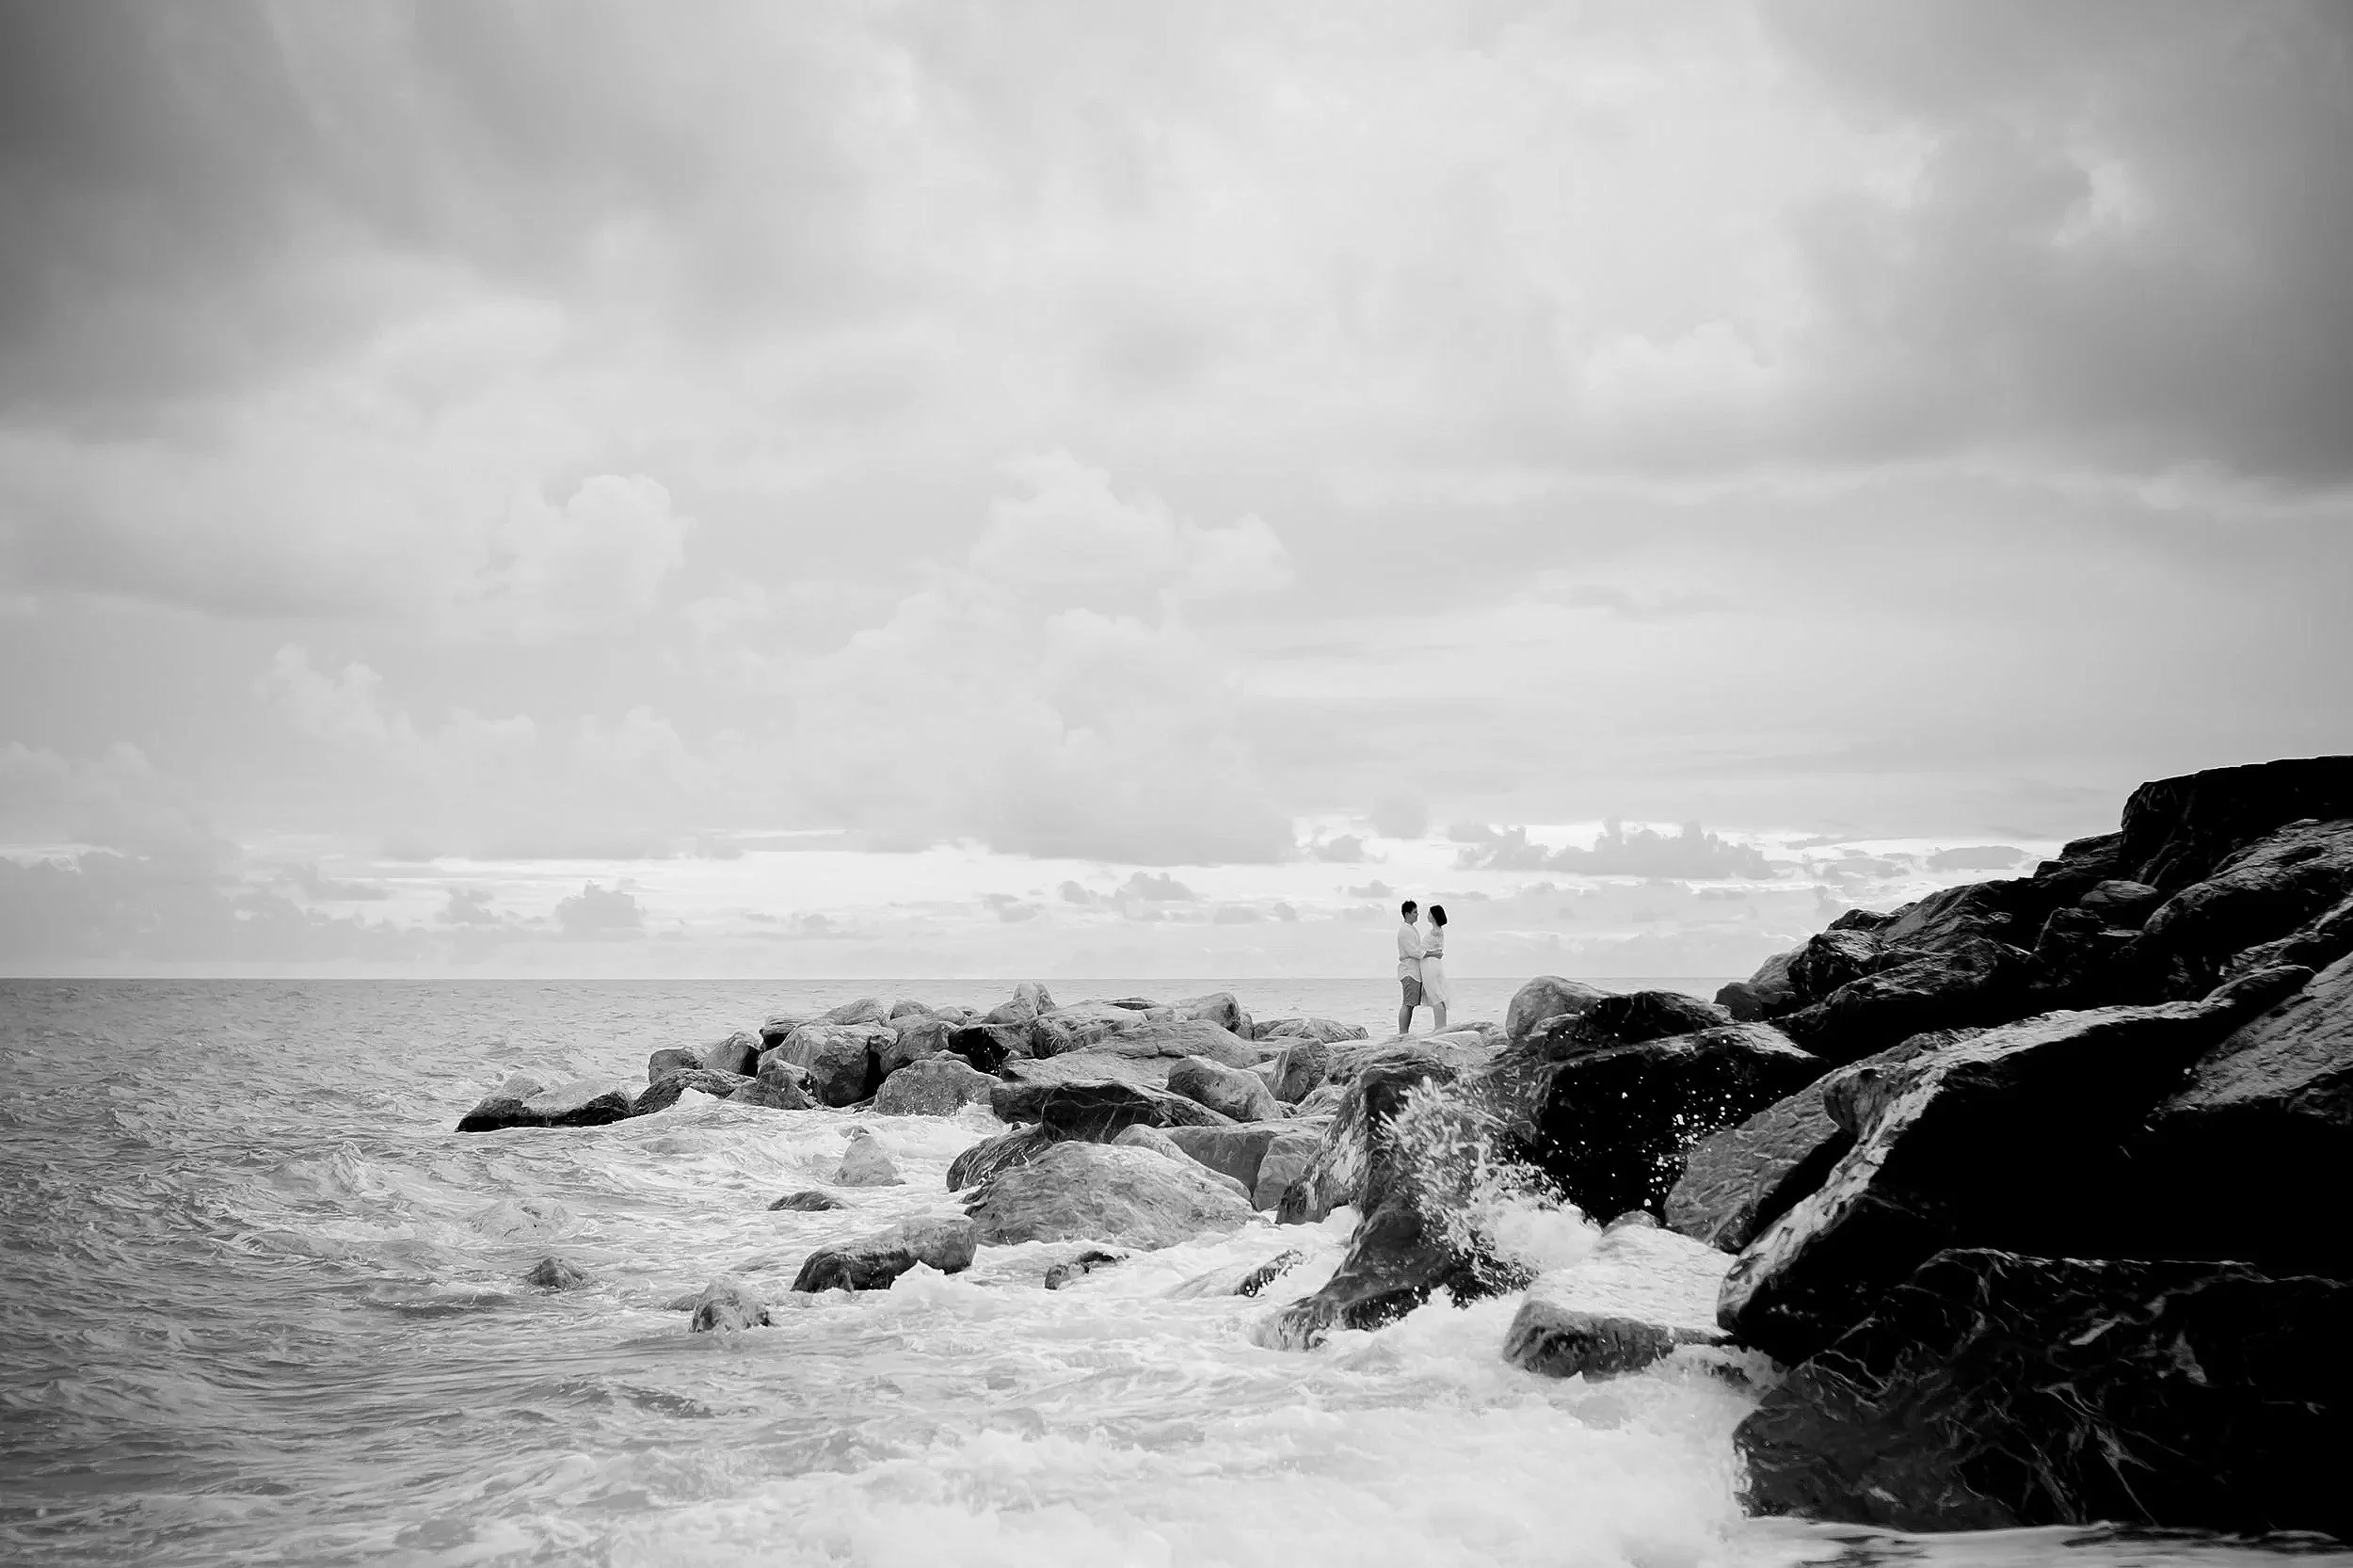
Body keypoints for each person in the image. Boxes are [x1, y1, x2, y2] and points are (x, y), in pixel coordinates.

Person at [1396, 899, 1425, 1035]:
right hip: (1409, 971)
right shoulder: (1405, 930)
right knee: (1407, 1003)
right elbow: (1413, 951)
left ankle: (1405, 1032)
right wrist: (1428, 953)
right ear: (1407, 914)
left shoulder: (1411, 929)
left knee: (1411, 1004)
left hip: (1414, 970)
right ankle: (1402, 1032)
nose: (1417, 914)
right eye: (1414, 912)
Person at [1422, 904, 1451, 1032]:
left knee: (1435, 995)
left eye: (1429, 913)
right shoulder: (1437, 930)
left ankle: (1439, 1027)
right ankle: (1441, 1025)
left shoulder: (1435, 931)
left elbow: (1437, 951)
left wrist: (1423, 952)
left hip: (1430, 965)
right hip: (1433, 965)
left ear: (1434, 916)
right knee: (1438, 994)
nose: (1427, 915)